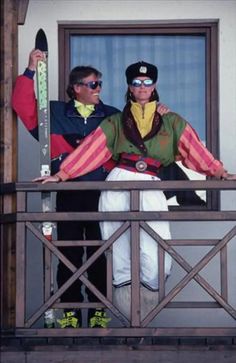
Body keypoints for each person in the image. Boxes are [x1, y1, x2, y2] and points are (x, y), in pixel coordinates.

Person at [33, 60, 236, 318]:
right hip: (118, 183)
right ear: (129, 86)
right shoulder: (116, 120)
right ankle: (125, 317)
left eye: (147, 82)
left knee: (155, 249)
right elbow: (92, 150)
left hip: (150, 184)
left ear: (154, 86)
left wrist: (219, 172)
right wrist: (61, 175)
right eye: (136, 83)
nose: (142, 87)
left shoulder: (171, 120)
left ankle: (145, 313)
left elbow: (194, 149)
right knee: (118, 249)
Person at [12, 49, 120, 328]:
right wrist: (30, 71)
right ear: (76, 88)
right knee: (68, 255)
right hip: (68, 191)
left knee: (99, 254)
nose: (98, 89)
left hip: (101, 194)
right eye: (93, 84)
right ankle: (70, 312)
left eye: (99, 84)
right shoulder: (55, 111)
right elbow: (22, 106)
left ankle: (98, 313)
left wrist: (159, 107)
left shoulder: (111, 116)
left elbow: (139, 134)